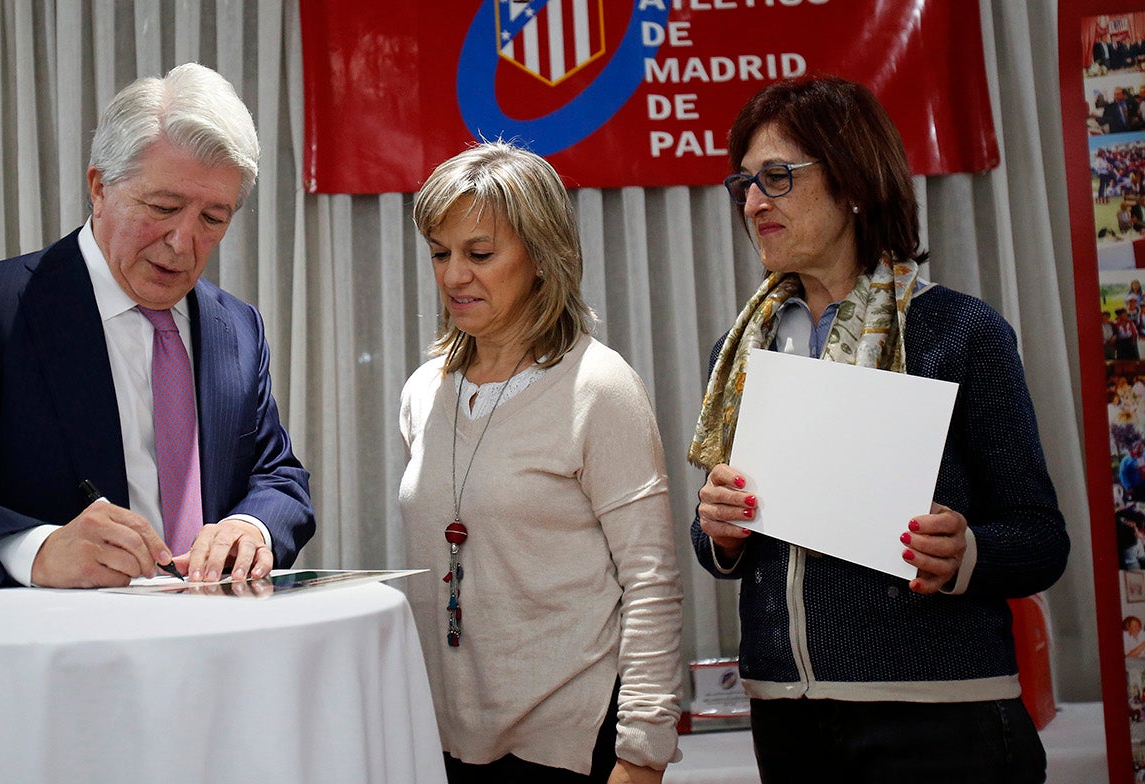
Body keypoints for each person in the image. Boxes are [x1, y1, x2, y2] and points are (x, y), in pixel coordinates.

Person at [689, 75, 1069, 783]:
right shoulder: (742, 353)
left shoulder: (959, 332)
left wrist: (967, 552)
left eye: (776, 176)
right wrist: (716, 531)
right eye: (743, 181)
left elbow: (1041, 538)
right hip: (788, 713)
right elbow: (726, 544)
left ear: (855, 180)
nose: (751, 201)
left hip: (941, 715)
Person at [0, 63, 314, 589]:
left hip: (214, 642)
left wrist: (251, 525)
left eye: (212, 219)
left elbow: (278, 475)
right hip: (52, 649)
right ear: (99, 186)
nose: (183, 242)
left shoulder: (237, 326)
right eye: (163, 206)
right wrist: (36, 548)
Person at [398, 142, 683, 783]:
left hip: (570, 739)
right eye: (441, 253)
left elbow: (651, 582)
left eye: (479, 253)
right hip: (448, 738)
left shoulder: (598, 387)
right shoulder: (423, 392)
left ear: (541, 256)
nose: (452, 276)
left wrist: (643, 752)